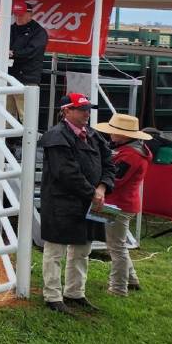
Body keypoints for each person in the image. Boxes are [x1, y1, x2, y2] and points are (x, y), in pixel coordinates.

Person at [40, 93, 115, 315]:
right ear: (66, 111)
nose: (86, 113)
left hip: (90, 201)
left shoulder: (93, 135)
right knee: (55, 249)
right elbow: (66, 172)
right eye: (81, 109)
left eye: (87, 109)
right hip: (61, 201)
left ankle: (74, 292)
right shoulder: (56, 136)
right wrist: (93, 193)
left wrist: (101, 189)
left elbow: (109, 163)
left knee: (83, 248)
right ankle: (52, 296)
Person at [92, 113, 151, 297]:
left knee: (116, 247)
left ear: (125, 135)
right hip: (122, 203)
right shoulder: (135, 150)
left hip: (118, 204)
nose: (111, 135)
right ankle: (131, 280)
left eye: (115, 132)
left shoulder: (130, 155)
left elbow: (115, 180)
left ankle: (118, 288)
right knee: (118, 245)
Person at [2, 0, 49, 127]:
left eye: (21, 14)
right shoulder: (10, 29)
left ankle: (28, 144)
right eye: (16, 14)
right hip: (9, 76)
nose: (18, 17)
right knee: (6, 113)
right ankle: (7, 143)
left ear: (30, 14)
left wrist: (13, 53)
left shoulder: (39, 32)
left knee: (26, 114)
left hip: (27, 78)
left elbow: (32, 51)